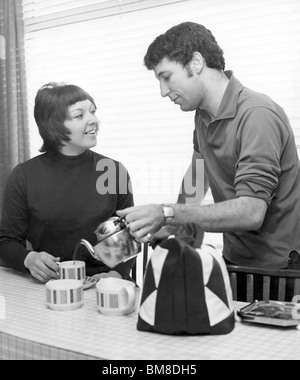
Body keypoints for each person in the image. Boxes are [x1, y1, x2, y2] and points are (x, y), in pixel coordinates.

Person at [117, 22, 300, 284]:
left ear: (195, 62)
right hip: (235, 261)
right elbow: (195, 185)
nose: (163, 92)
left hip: (279, 270)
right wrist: (168, 225)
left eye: (166, 77)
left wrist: (168, 212)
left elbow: (251, 212)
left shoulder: (257, 115)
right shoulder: (202, 117)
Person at [0, 82, 135, 284]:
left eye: (93, 112)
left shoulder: (113, 171)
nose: (94, 120)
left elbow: (126, 236)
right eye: (79, 115)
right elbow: (6, 241)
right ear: (54, 125)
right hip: (51, 285)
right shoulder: (24, 176)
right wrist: (29, 259)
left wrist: (116, 275)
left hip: (105, 284)